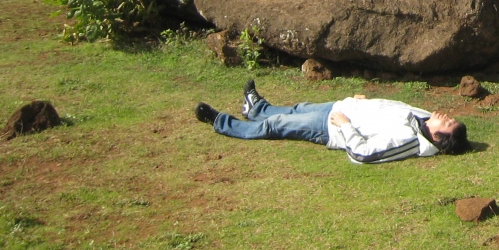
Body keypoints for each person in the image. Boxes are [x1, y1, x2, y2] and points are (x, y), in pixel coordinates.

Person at [195, 80, 469, 164]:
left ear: (437, 138)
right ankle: (255, 108)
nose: (446, 117)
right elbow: (392, 110)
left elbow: (363, 154)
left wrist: (346, 124)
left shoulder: (409, 141)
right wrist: (364, 102)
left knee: (276, 125)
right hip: (343, 107)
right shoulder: (424, 118)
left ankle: (221, 122)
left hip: (332, 125)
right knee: (295, 109)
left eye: (447, 123)